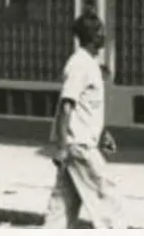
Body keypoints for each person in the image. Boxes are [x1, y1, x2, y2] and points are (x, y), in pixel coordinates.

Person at [44, 13, 124, 229]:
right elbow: (66, 106)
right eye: (99, 31)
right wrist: (61, 146)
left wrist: (102, 133)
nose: (103, 35)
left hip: (79, 143)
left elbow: (86, 107)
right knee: (106, 198)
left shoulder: (88, 63)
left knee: (62, 208)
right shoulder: (80, 64)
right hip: (79, 146)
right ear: (90, 36)